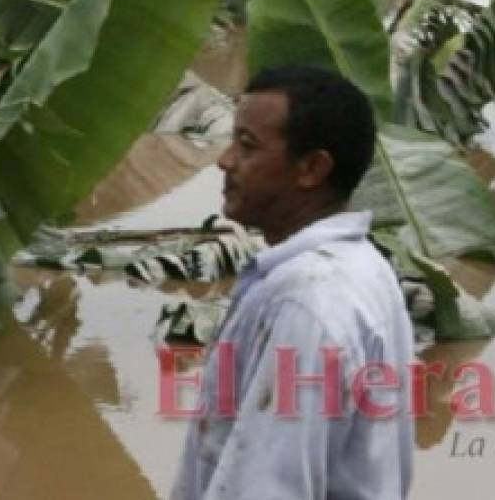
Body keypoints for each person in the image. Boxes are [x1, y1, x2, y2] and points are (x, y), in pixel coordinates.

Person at [170, 66, 414, 499]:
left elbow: (272, 486)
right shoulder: (364, 268)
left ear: (312, 168)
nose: (225, 161)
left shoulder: (307, 301)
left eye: (247, 146)